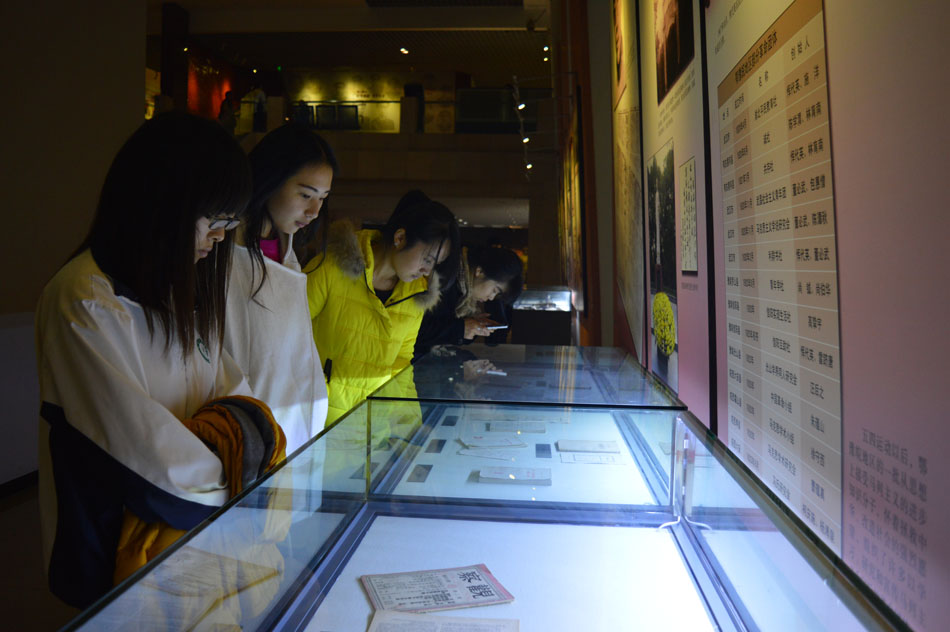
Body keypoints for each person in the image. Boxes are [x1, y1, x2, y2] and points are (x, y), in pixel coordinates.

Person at [35, 112, 253, 608]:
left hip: (189, 533)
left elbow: (233, 398)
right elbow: (144, 450)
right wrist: (239, 477)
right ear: (160, 203)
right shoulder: (85, 298)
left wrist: (242, 453)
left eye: (229, 223)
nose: (220, 237)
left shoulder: (179, 290)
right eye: (213, 220)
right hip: (116, 539)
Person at [224, 124, 336, 454]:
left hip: (297, 426)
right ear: (271, 178)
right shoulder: (225, 255)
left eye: (322, 198)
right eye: (305, 195)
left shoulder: (287, 252)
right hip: (253, 432)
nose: (314, 212)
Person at [304, 190, 460, 425]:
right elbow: (289, 339)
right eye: (427, 259)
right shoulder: (332, 267)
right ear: (400, 238)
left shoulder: (415, 295)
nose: (427, 271)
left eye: (434, 264)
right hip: (319, 423)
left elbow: (401, 365)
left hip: (373, 429)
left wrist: (411, 429)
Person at [414, 245, 523, 360]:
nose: (491, 298)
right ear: (480, 271)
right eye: (494, 290)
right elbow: (417, 330)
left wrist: (470, 325)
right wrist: (461, 328)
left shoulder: (463, 293)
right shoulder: (445, 280)